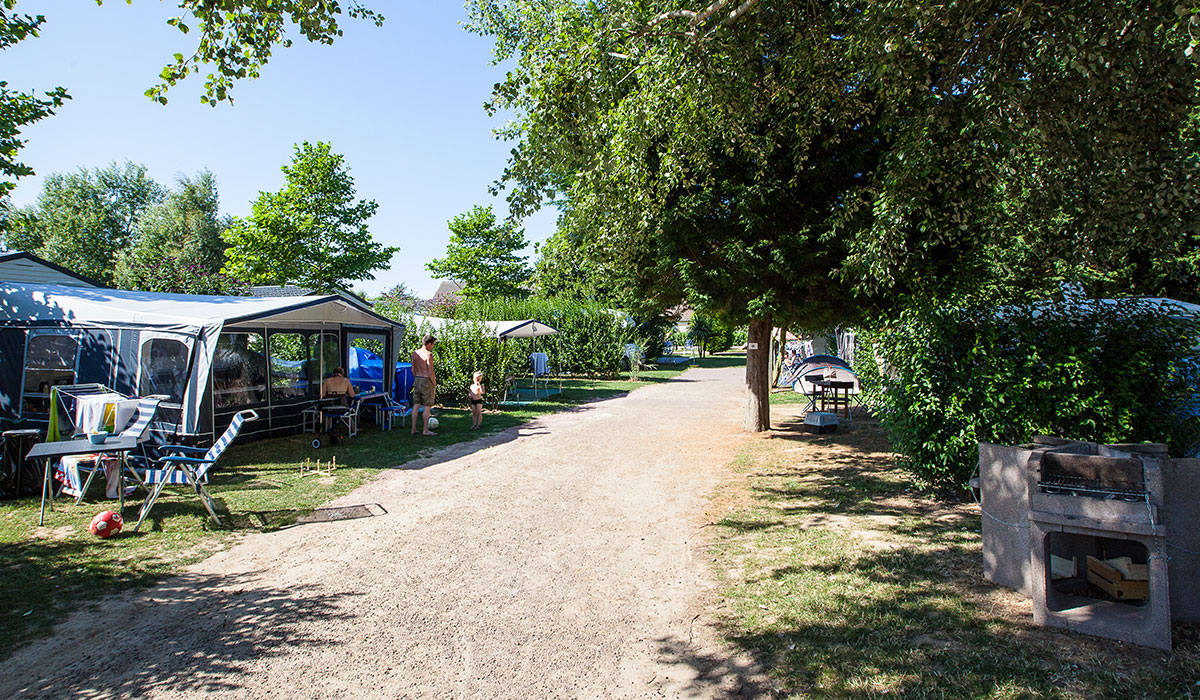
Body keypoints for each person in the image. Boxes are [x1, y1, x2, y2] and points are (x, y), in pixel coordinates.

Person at [410, 335, 437, 436]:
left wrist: (416, 378)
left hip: (417, 379)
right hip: (426, 380)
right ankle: (425, 430)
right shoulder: (428, 354)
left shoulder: (415, 353)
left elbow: (412, 369)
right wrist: (434, 383)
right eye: (433, 344)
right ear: (429, 344)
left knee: (416, 404)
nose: (433, 346)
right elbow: (430, 372)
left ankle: (413, 428)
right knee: (427, 405)